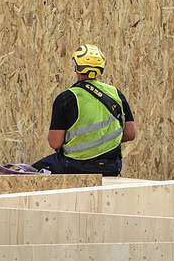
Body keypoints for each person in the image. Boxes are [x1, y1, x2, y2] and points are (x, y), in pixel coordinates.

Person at [33, 44, 137, 176]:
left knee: (34, 171)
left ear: (76, 67)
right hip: (111, 167)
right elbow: (130, 134)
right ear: (101, 68)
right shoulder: (116, 94)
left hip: (74, 166)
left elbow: (55, 143)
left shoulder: (66, 98)